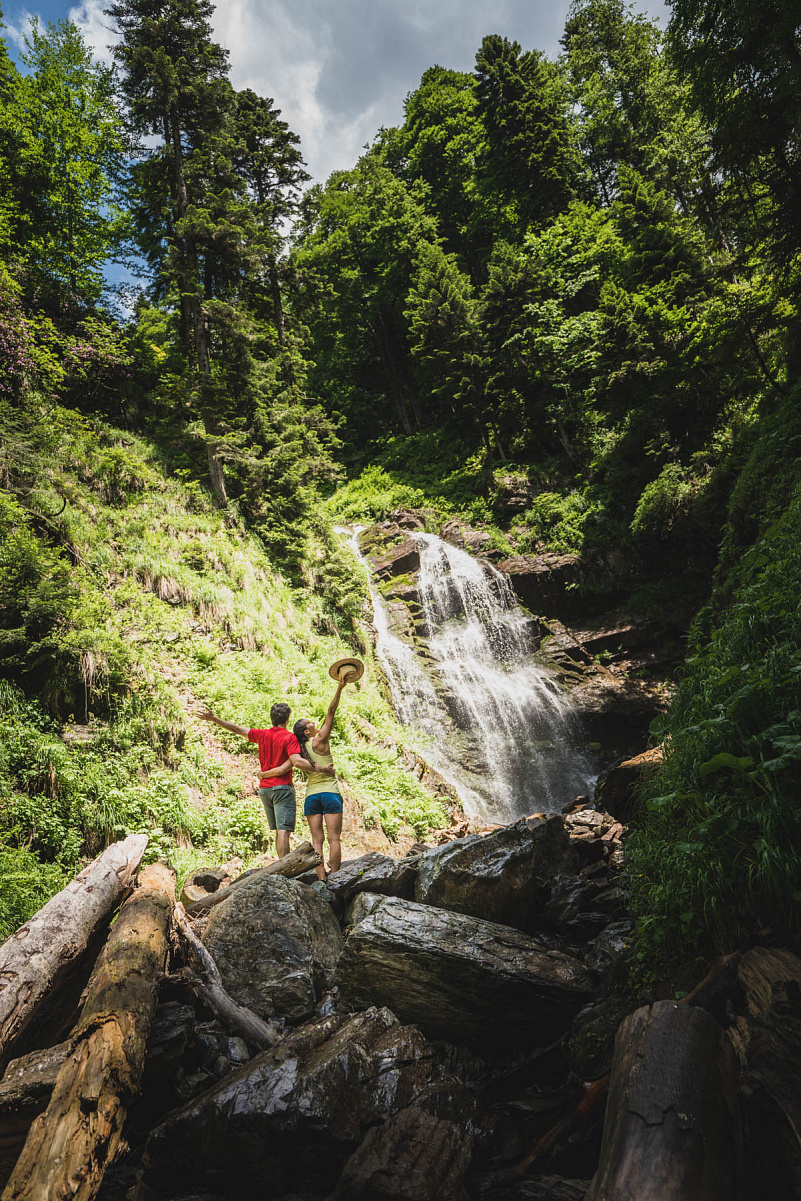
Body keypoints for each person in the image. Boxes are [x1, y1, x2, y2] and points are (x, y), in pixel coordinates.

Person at [197, 701, 332, 858]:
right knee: (284, 830)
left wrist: (215, 719)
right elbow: (297, 761)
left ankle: (281, 866)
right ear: (287, 720)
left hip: (265, 790)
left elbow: (237, 729)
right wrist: (321, 768)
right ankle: (284, 870)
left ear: (271, 718)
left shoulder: (262, 735)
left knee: (278, 830)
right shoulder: (290, 738)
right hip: (282, 787)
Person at [292, 674, 354, 879]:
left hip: (311, 796)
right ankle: (335, 877)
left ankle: (321, 879)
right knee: (334, 839)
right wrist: (340, 688)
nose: (314, 722)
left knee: (316, 840)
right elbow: (331, 711)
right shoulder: (320, 740)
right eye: (310, 722)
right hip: (329, 793)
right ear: (307, 731)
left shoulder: (300, 750)